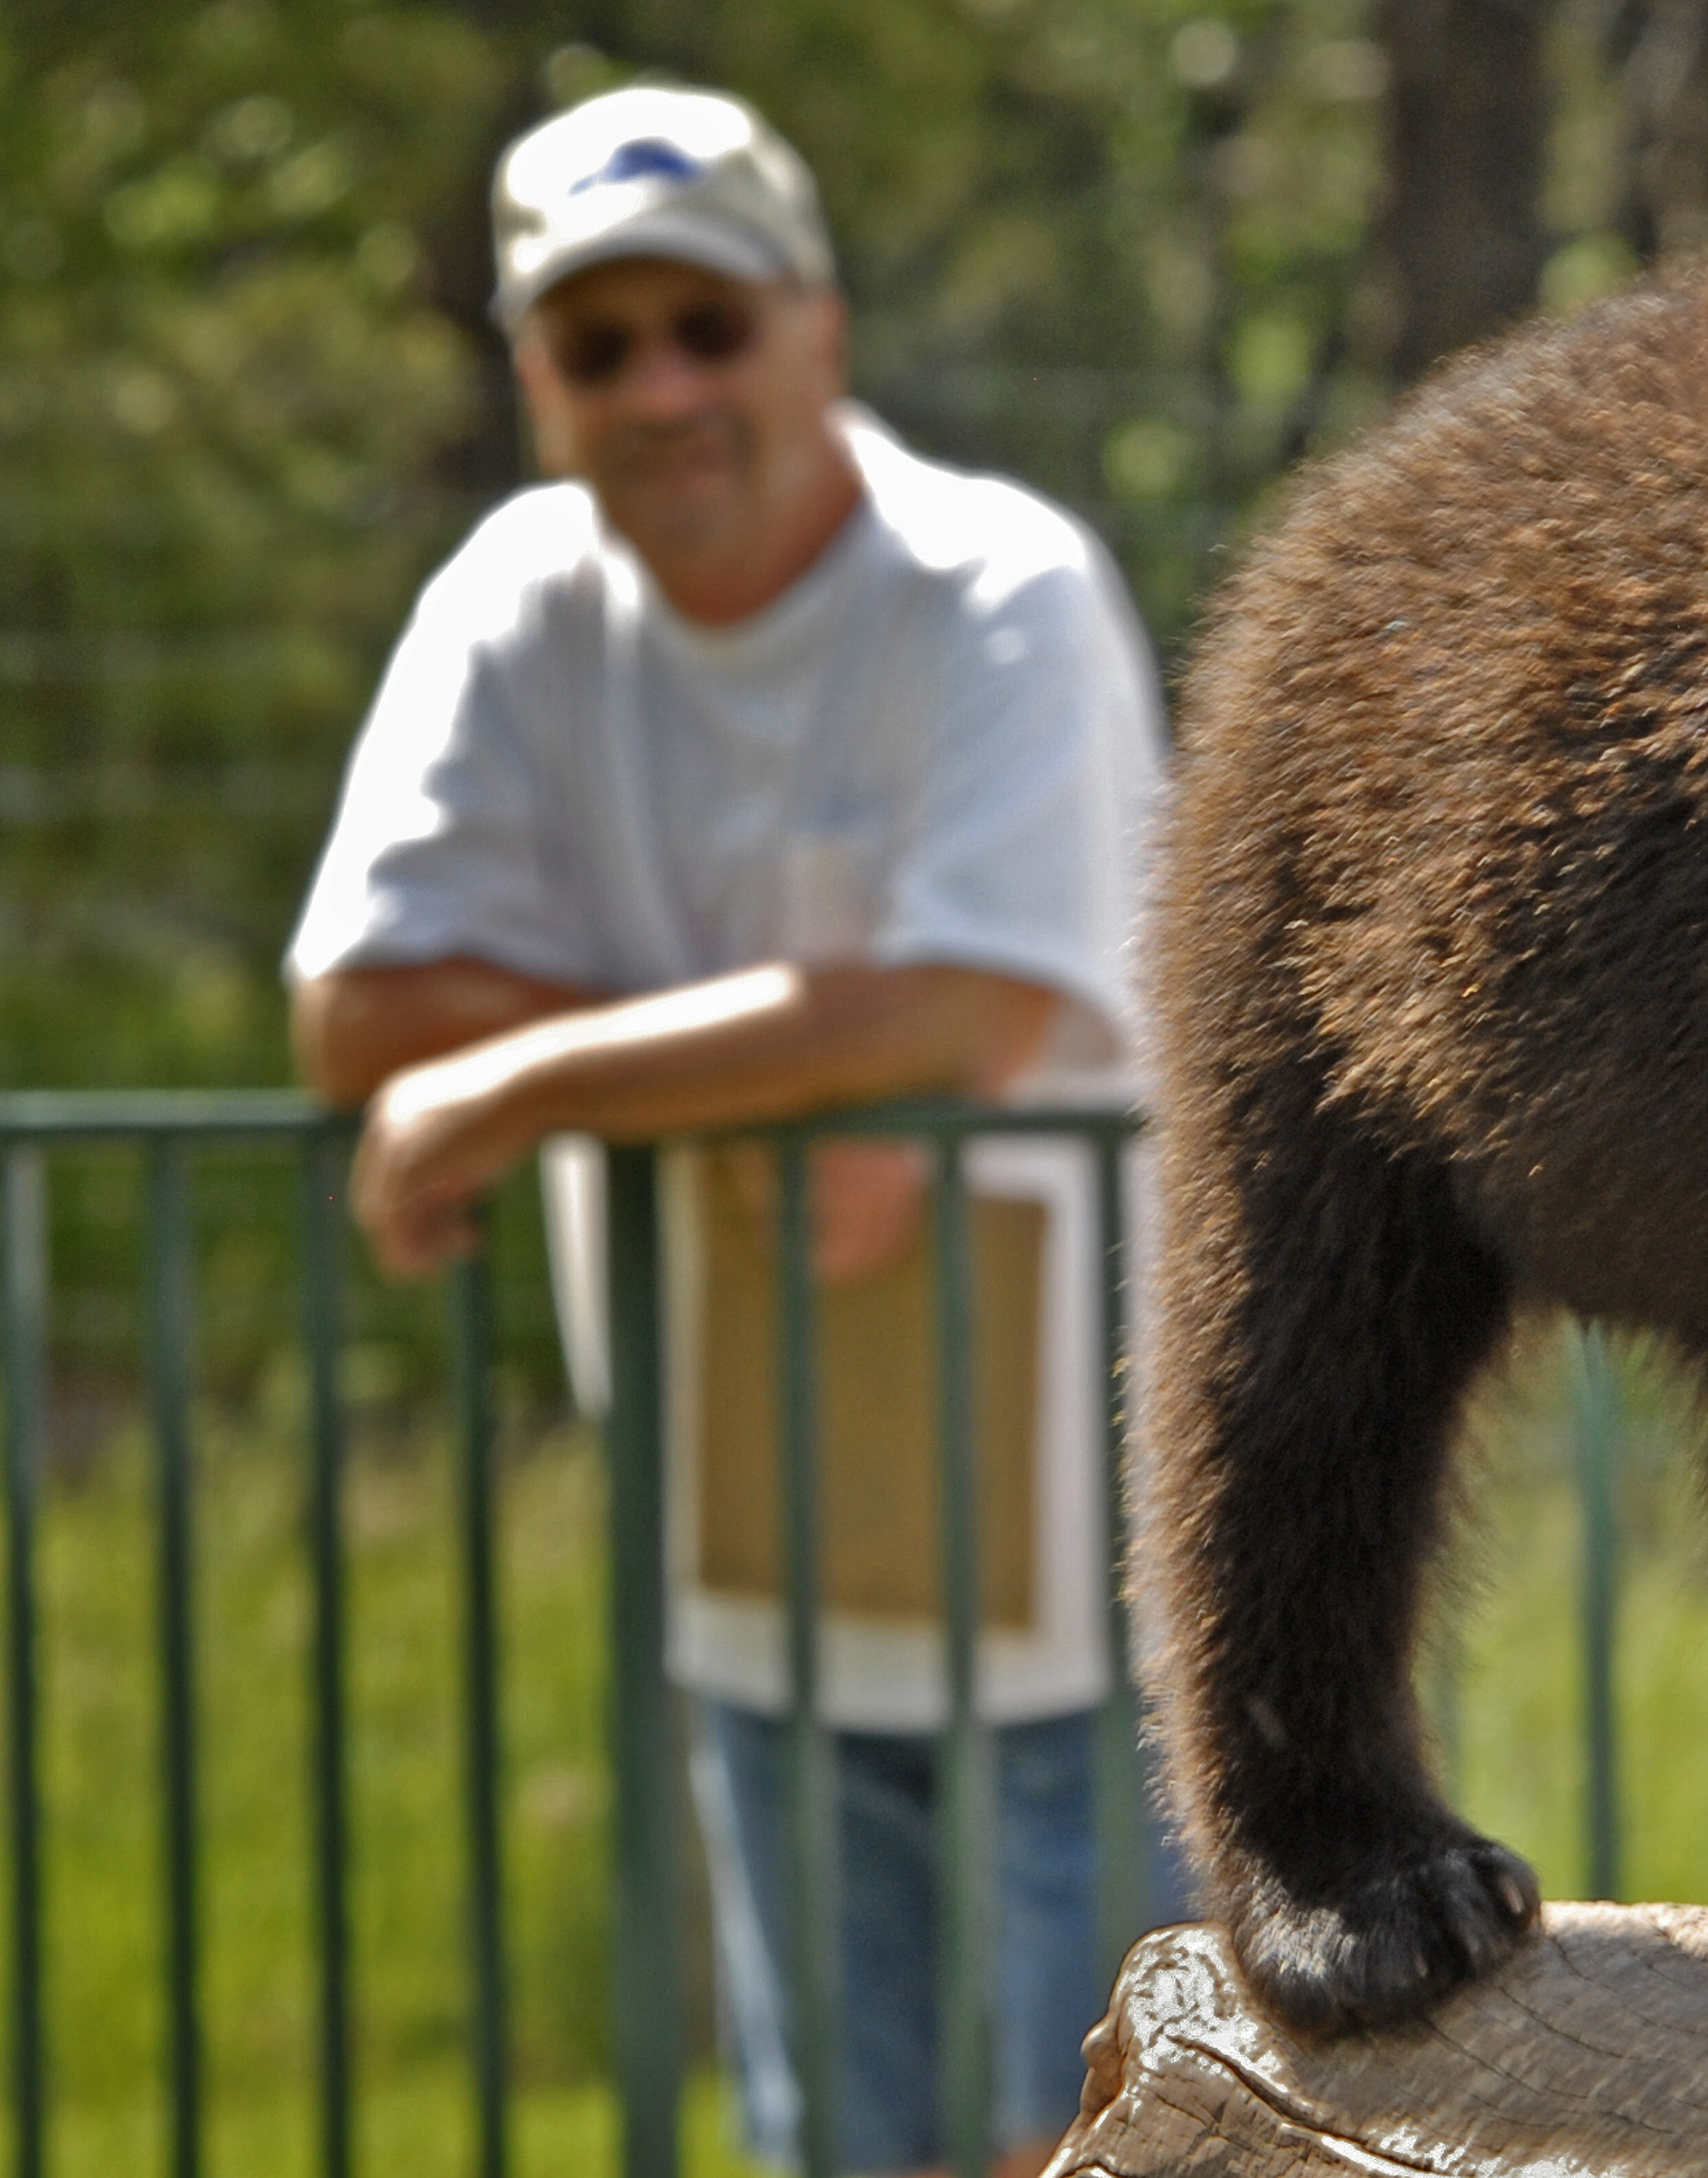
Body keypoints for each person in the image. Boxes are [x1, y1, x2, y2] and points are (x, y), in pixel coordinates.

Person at [286, 85, 1167, 2177]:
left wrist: (529, 1080)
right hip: (747, 1524)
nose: (663, 384)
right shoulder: (517, 597)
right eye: (601, 345)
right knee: (832, 2129)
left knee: (1148, 2115)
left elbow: (968, 998)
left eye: (710, 323)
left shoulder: (1000, 584)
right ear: (536, 382)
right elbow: (355, 1007)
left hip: (1106, 1552)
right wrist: (761, 1074)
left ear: (819, 331)